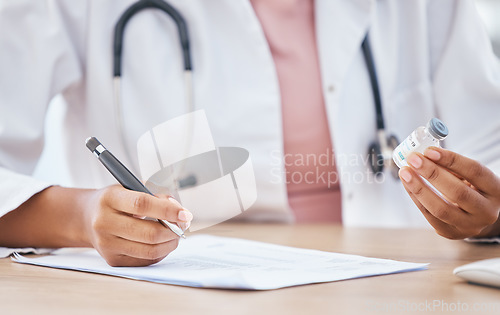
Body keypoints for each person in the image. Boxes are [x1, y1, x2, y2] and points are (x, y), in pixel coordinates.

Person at [0, 0, 499, 267]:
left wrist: (487, 216)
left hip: (392, 286)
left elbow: (490, 149)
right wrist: (82, 215)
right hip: (169, 294)